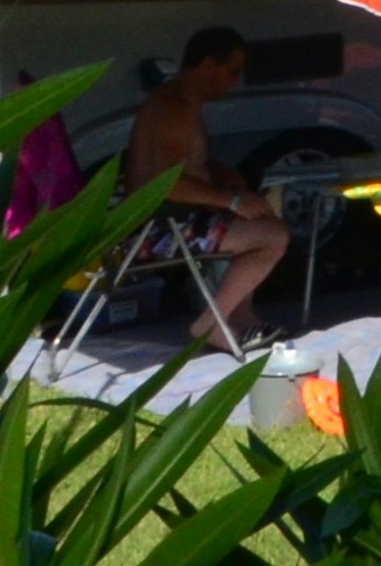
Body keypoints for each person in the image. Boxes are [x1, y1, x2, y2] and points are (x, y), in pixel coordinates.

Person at [119, 27, 292, 342]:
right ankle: (212, 324)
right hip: (154, 229)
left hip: (173, 220)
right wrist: (232, 201)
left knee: (262, 221)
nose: (235, 82)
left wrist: (221, 173)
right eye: (232, 71)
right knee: (272, 235)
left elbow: (186, 164)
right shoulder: (173, 108)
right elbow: (164, 183)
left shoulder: (182, 103)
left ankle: (242, 319)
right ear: (208, 65)